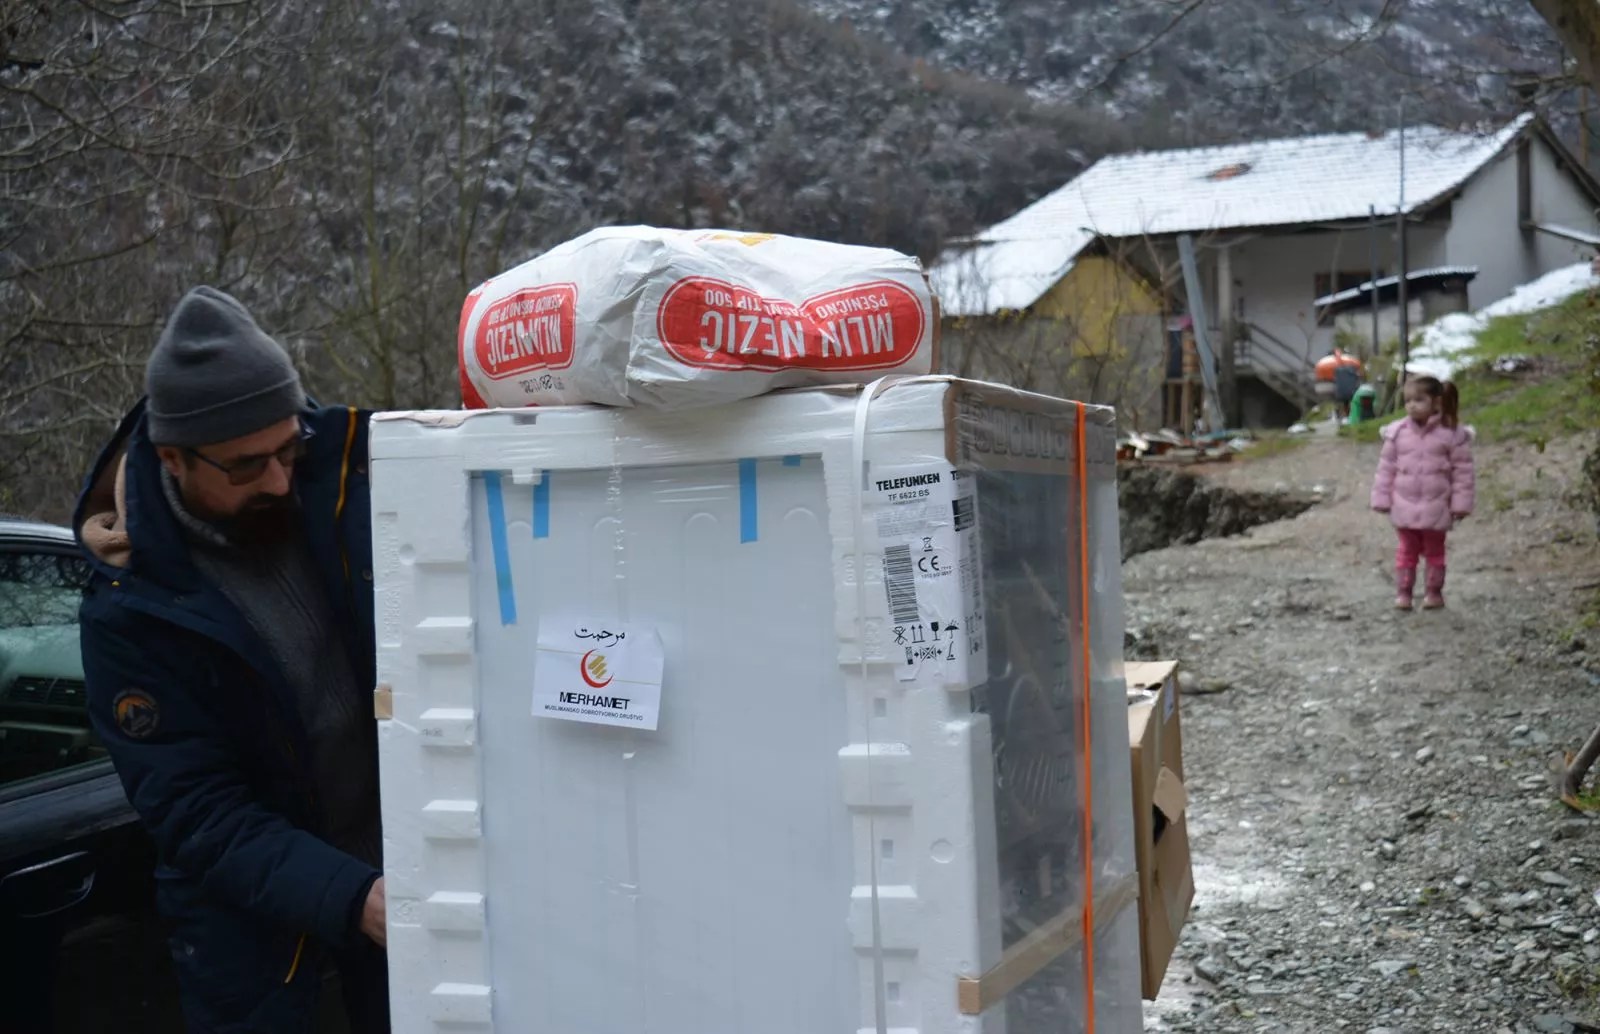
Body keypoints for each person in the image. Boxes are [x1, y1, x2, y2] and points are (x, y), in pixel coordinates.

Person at [74, 287, 389, 1032]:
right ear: (174, 458)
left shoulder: (349, 485)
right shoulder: (130, 611)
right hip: (259, 950)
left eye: (288, 448)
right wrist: (351, 895)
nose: (279, 480)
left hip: (403, 879)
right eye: (247, 466)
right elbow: (197, 812)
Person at [1370, 375, 1475, 610]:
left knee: (1435, 552)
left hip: (1436, 508)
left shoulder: (1452, 434)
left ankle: (1433, 592)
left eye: (1419, 400)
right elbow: (1386, 468)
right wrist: (1381, 498)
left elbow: (1463, 472)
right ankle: (1404, 592)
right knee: (1406, 551)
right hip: (1403, 506)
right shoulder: (1397, 433)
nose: (1412, 406)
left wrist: (1461, 504)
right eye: (1408, 401)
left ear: (1436, 402)